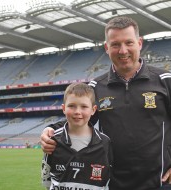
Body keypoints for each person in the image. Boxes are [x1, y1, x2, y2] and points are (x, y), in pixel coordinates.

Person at [40, 16, 171, 190]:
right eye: (115, 44)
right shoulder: (96, 87)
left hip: (160, 183)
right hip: (112, 183)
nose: (123, 50)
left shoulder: (165, 81)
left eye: (129, 43)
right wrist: (50, 129)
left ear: (139, 43)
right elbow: (79, 118)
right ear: (106, 48)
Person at [41, 82, 113, 190]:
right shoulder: (53, 140)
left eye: (84, 106)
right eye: (71, 106)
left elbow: (108, 180)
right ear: (63, 108)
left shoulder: (104, 142)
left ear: (93, 110)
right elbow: (47, 180)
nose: (77, 112)